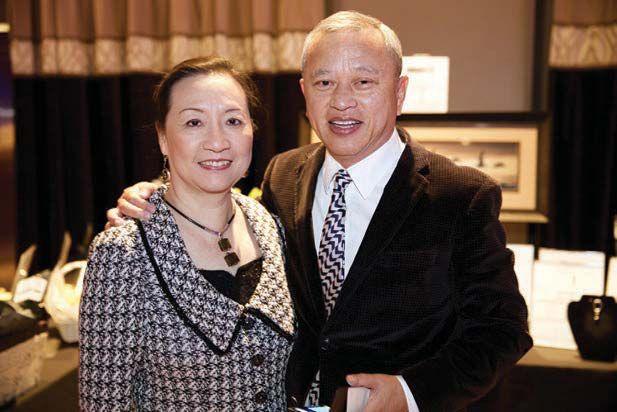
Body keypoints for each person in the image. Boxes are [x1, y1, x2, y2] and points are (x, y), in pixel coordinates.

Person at [108, 11, 532, 412]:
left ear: (399, 92)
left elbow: (503, 329)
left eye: (363, 81)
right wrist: (158, 199)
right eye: (324, 82)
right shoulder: (284, 175)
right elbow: (226, 222)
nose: (342, 102)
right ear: (304, 93)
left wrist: (411, 392)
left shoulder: (460, 196)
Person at [80, 56, 296, 411]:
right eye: (194, 122)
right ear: (163, 138)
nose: (217, 141)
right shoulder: (123, 252)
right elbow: (103, 404)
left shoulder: (269, 225)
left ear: (251, 131)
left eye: (233, 121)